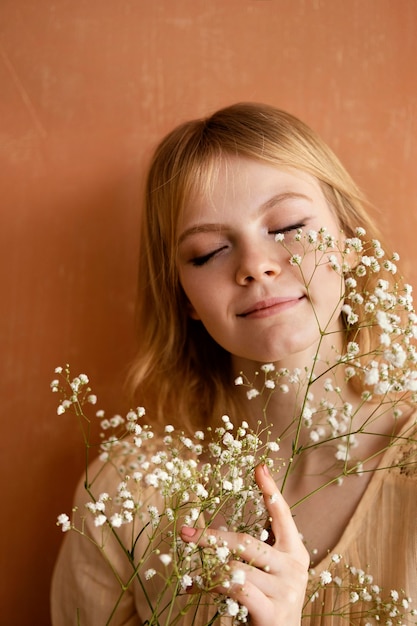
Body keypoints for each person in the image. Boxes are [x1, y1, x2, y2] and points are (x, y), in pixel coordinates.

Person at [51, 103, 417, 625]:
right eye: (207, 252)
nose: (254, 265)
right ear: (182, 297)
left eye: (288, 225)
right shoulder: (125, 495)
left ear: (351, 241)